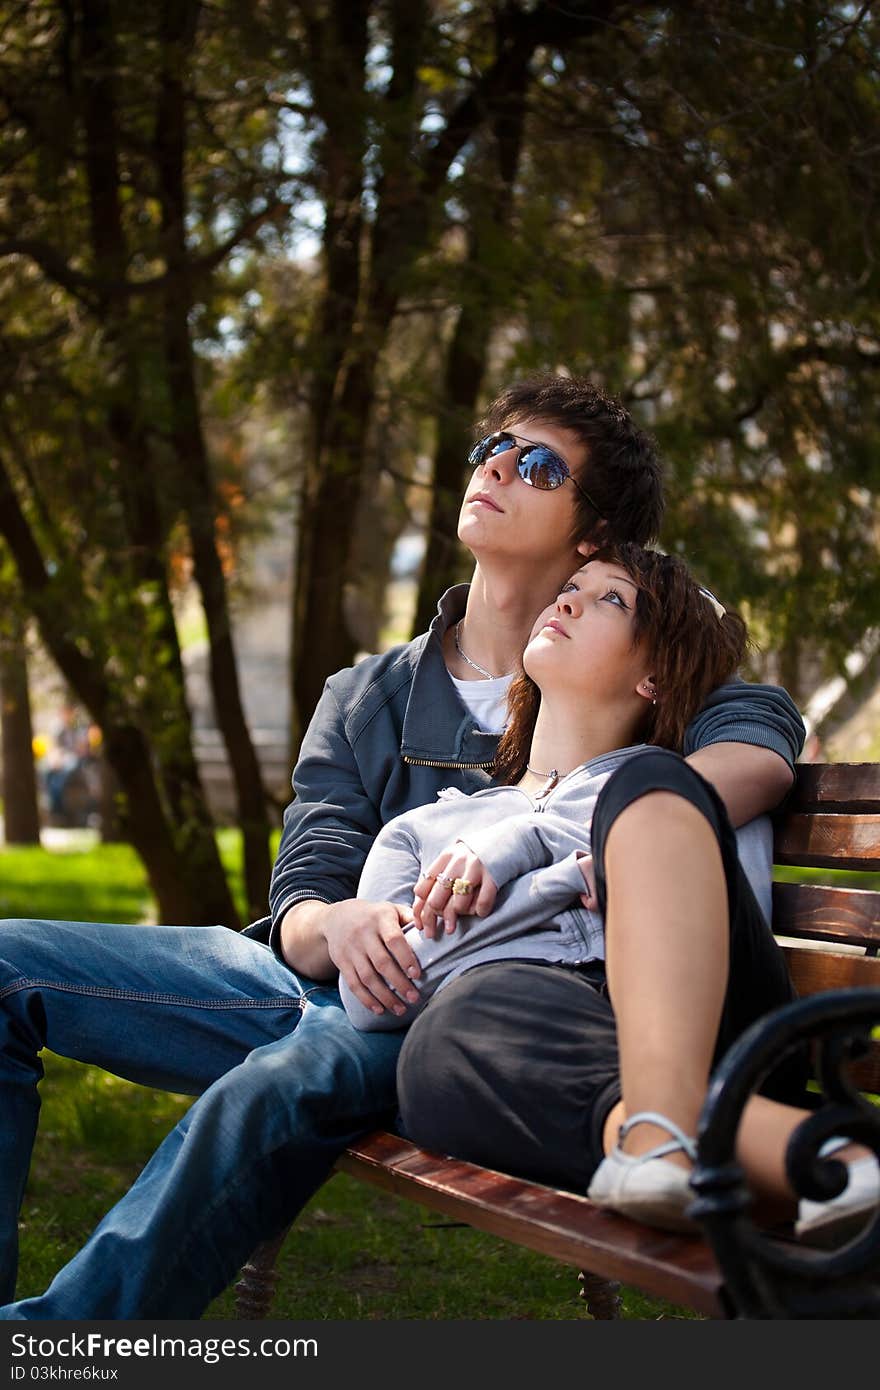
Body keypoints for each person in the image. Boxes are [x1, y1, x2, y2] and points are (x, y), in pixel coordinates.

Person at [0, 376, 803, 1319]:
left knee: (292, 1075)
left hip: (464, 1013)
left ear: (594, 535)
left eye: (537, 464)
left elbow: (742, 756)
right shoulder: (366, 696)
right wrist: (340, 924)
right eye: (490, 450)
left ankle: (58, 1344)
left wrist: (550, 841)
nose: (497, 465)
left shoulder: (636, 656)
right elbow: (303, 890)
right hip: (321, 979)